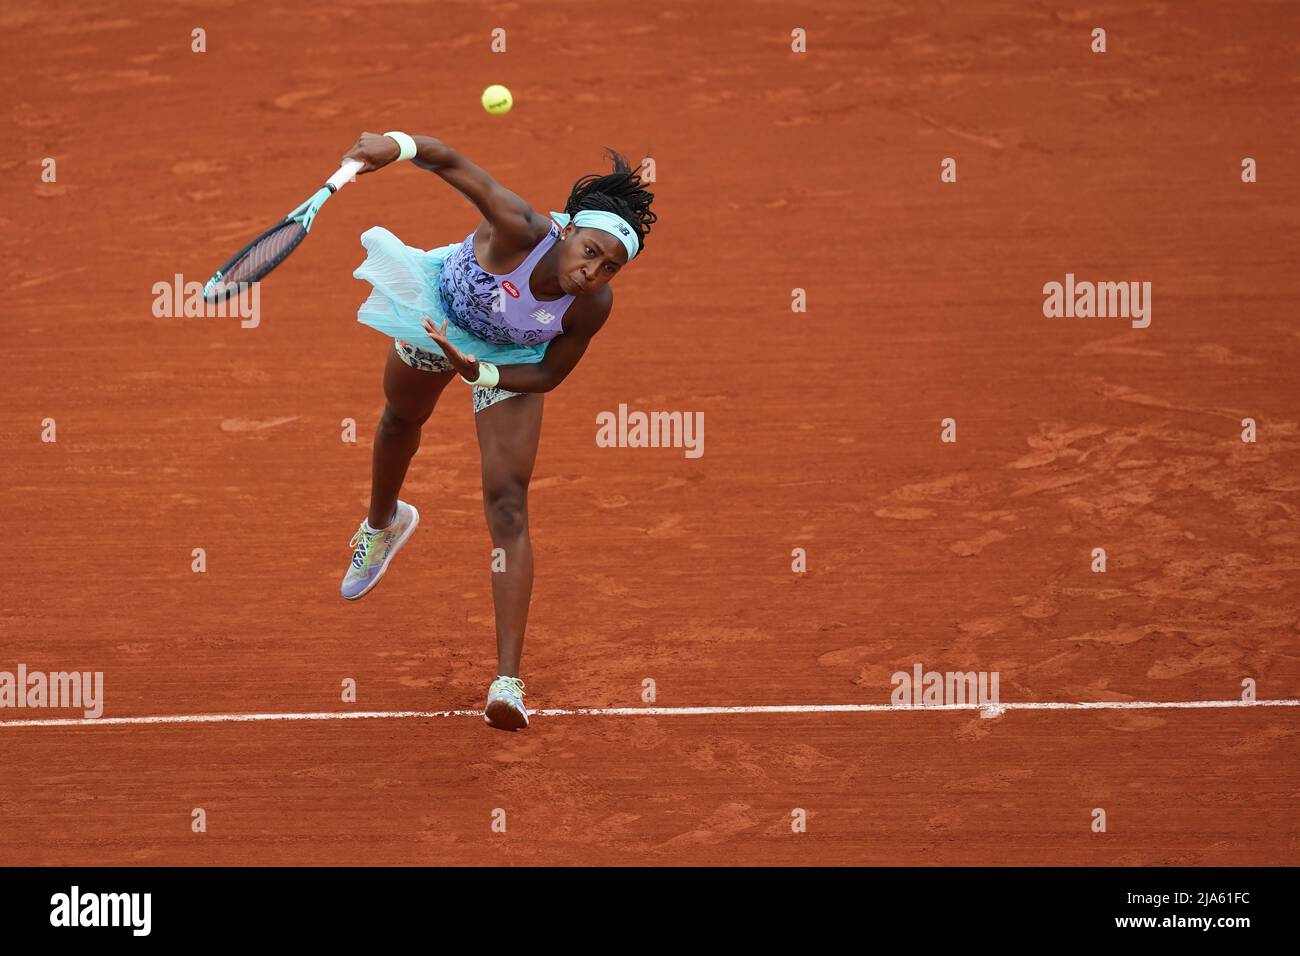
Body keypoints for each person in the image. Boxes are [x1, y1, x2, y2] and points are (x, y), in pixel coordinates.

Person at [337, 131, 656, 731]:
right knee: (401, 419)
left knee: (508, 505)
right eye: (589, 252)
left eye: (609, 267)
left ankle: (507, 682)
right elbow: (450, 160)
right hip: (439, 315)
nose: (592, 272)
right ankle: (382, 523)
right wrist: (394, 146)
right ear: (565, 233)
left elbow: (549, 373)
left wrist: (480, 371)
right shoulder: (519, 227)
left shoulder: (593, 305)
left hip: (508, 361)